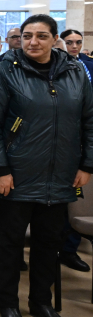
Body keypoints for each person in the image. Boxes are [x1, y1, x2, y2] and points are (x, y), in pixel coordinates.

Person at [0, 14, 93, 317]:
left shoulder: (74, 72)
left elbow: (89, 120)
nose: (33, 42)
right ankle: (8, 303)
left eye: (41, 36)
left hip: (62, 173)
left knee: (49, 241)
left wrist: (87, 164)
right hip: (17, 172)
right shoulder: (7, 71)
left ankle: (41, 302)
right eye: (28, 35)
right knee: (11, 241)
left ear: (55, 39)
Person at [48, 29, 93, 273]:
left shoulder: (82, 70)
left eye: (78, 42)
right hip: (39, 153)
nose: (74, 46)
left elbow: (88, 116)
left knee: (72, 206)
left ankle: (69, 250)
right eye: (70, 42)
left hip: (71, 150)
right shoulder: (15, 71)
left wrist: (87, 163)